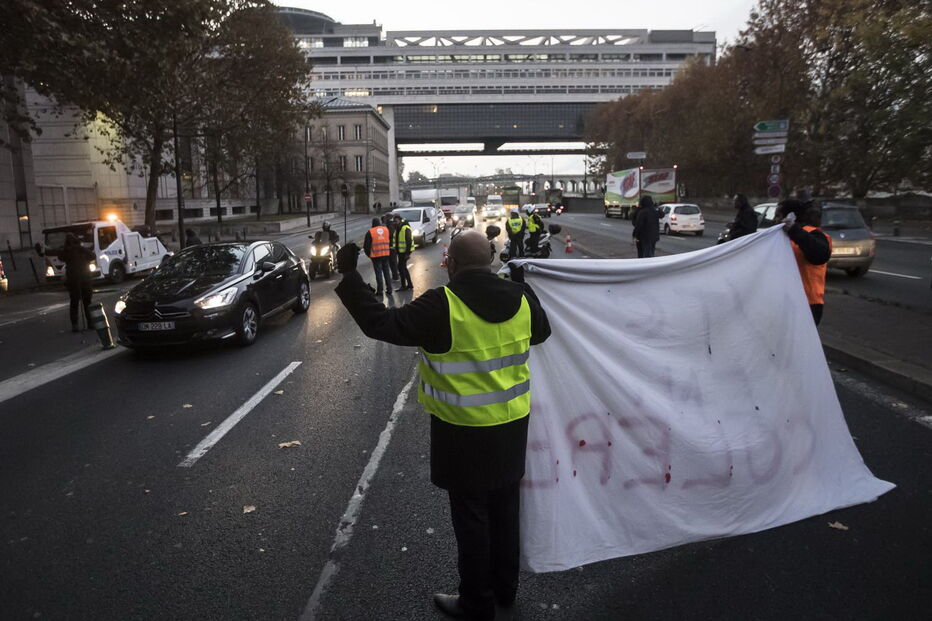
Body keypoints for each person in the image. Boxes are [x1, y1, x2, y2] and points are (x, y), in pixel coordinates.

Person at [334, 230, 551, 621]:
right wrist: (522, 284)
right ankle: (505, 590)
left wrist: (350, 278)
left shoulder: (441, 304)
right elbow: (543, 332)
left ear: (449, 263)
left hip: (462, 434)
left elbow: (381, 323)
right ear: (490, 259)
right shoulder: (522, 300)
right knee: (505, 513)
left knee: (472, 521)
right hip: (512, 428)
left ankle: (476, 604)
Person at [775, 199, 832, 325]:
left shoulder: (813, 234)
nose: (774, 219)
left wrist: (794, 230)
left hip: (807, 303)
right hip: (785, 300)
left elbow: (820, 255)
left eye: (778, 215)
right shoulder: (779, 236)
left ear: (790, 216)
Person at [59, 233, 96, 332]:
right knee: (82, 302)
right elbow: (61, 257)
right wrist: (77, 248)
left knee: (80, 303)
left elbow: (92, 256)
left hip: (80, 279)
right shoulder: (69, 251)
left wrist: (78, 248)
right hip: (78, 280)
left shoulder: (79, 250)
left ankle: (80, 324)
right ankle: (84, 323)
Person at [363, 217, 393, 295]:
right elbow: (389, 240)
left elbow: (366, 246)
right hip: (386, 255)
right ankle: (389, 289)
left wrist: (369, 255)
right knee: (386, 272)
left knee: (378, 273)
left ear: (372, 224)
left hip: (376, 256)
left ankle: (380, 290)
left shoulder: (370, 232)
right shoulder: (386, 230)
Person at [395, 216, 414, 291]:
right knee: (403, 268)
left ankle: (404, 286)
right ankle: (409, 284)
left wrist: (407, 253)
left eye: (396, 221)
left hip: (404, 252)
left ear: (400, 220)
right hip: (400, 252)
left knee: (401, 267)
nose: (395, 222)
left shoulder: (405, 228)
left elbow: (409, 241)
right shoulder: (399, 228)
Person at [383, 214, 400, 281]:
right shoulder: (393, 224)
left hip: (391, 247)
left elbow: (390, 235)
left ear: (387, 218)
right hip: (393, 246)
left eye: (385, 218)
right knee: (393, 262)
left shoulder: (389, 225)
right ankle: (396, 275)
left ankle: (395, 277)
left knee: (392, 263)